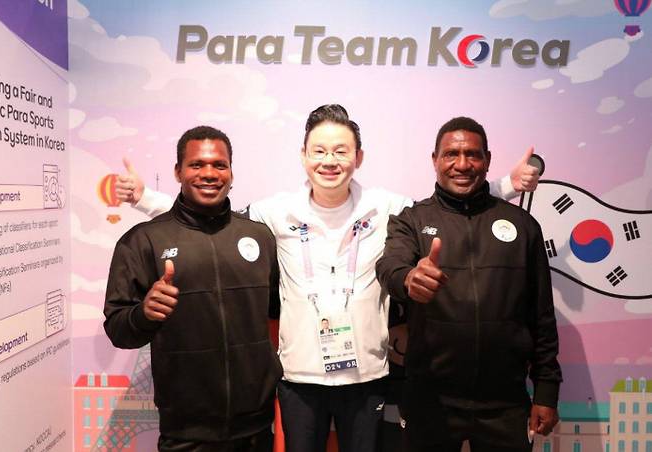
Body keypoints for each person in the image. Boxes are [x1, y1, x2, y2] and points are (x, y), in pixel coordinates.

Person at [114, 105, 540, 452]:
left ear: (358, 157)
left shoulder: (387, 206)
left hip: (367, 376)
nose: (329, 161)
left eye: (341, 150)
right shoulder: (273, 212)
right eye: (319, 151)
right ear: (303, 156)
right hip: (299, 377)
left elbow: (449, 203)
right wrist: (145, 199)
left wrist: (504, 185)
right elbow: (211, 218)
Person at [376, 116, 562, 452]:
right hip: (430, 401)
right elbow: (390, 267)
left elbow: (542, 316)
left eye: (472, 155)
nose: (462, 164)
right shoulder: (412, 221)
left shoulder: (523, 226)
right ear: (435, 160)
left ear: (487, 160)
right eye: (451, 155)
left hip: (504, 403)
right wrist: (408, 279)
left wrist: (547, 390)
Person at [104, 126, 282, 452]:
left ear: (231, 172)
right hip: (185, 432)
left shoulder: (259, 237)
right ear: (178, 172)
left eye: (219, 165)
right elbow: (118, 330)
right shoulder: (142, 241)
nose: (209, 174)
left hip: (256, 428)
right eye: (196, 165)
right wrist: (144, 314)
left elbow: (277, 311)